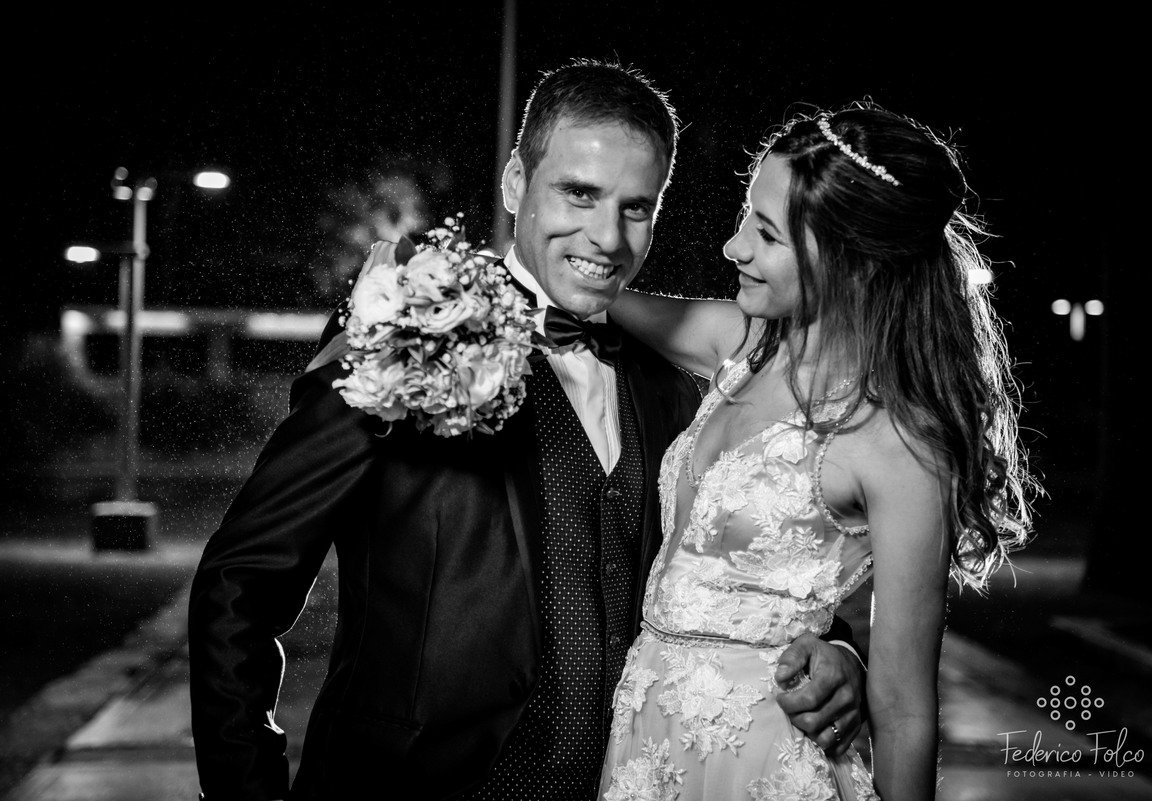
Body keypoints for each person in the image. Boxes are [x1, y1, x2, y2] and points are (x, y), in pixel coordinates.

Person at [187, 60, 866, 801]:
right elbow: (240, 586)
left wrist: (837, 652)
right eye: (579, 193)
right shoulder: (404, 332)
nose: (606, 236)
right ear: (516, 183)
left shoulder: (674, 384)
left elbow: (744, 571)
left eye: (635, 208)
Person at [596, 105, 1034, 800]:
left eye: (767, 234)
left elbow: (905, 709)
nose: (733, 247)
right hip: (647, 742)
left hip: (763, 760)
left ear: (852, 262)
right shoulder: (744, 345)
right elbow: (588, 293)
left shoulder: (897, 441)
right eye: (747, 215)